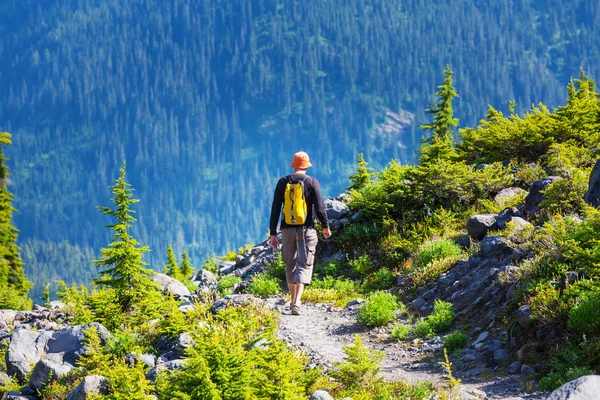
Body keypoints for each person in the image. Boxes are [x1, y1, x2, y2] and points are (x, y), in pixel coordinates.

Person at [269, 151, 331, 315]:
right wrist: (325, 225)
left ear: (293, 165)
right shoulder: (311, 182)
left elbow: (276, 208)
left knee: (290, 264)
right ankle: (297, 301)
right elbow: (319, 207)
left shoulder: (283, 182)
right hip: (307, 229)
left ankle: (292, 299)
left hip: (287, 229)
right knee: (304, 264)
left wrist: (273, 233)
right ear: (307, 165)